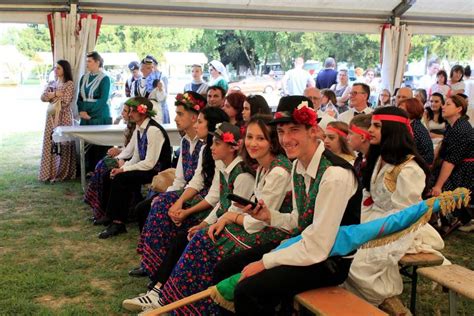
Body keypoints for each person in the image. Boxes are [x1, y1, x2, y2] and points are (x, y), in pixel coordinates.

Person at [213, 96, 361, 315]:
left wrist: (265, 262)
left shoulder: (334, 175)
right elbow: (298, 220)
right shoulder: (298, 166)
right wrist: (268, 216)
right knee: (224, 269)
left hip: (330, 261)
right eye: (281, 132)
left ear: (313, 130)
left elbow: (319, 246)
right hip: (303, 243)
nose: (286, 139)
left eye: (294, 130)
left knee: (248, 289)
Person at [136, 116, 295, 314]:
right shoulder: (263, 166)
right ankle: (170, 295)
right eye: (251, 137)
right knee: (187, 229)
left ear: (272, 143)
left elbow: (257, 221)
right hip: (255, 225)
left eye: (261, 139)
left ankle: (181, 302)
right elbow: (229, 202)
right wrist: (212, 220)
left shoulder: (273, 172)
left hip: (274, 233)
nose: (253, 143)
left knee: (204, 241)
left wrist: (226, 218)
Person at [344, 107, 444, 305]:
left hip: (399, 226)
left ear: (393, 130)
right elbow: (368, 197)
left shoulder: (409, 168)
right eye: (371, 124)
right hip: (374, 218)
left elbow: (406, 214)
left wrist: (370, 232)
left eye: (377, 126)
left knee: (357, 264)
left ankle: (379, 303)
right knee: (339, 249)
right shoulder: (380, 158)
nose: (370, 130)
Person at [137, 107, 229, 285]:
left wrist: (185, 210)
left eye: (200, 122)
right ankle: (154, 265)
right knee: (157, 205)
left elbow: (214, 196)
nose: (196, 125)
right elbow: (194, 181)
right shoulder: (203, 148)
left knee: (162, 209)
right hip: (201, 195)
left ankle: (160, 270)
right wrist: (178, 202)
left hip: (209, 202)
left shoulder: (217, 152)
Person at [132, 91, 207, 234]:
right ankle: (151, 251)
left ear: (193, 118)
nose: (175, 118)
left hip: (198, 194)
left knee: (157, 206)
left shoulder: (204, 144)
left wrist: (170, 198)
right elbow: (179, 179)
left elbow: (198, 182)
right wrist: (165, 195)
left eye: (180, 114)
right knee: (142, 208)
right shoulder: (185, 141)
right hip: (185, 191)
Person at [97, 97, 172, 239]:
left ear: (143, 113)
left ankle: (118, 223)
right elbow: (136, 156)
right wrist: (123, 166)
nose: (129, 114)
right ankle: (109, 215)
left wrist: (124, 169)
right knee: (109, 174)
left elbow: (150, 163)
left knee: (121, 178)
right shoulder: (140, 128)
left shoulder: (153, 130)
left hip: (158, 172)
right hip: (147, 168)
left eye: (132, 111)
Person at [84, 104, 136, 222]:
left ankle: (106, 211)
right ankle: (101, 209)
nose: (122, 113)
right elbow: (127, 149)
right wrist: (118, 151)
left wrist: (119, 155)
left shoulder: (138, 129)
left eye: (125, 111)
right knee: (101, 164)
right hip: (126, 157)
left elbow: (135, 152)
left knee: (104, 169)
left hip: (132, 160)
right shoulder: (129, 127)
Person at [431, 95, 473, 235]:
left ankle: (452, 219)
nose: (443, 106)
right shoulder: (453, 125)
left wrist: (438, 185)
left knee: (443, 187)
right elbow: (444, 149)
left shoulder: (460, 129)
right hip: (460, 166)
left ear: (459, 109)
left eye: (448, 104)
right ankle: (444, 218)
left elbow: (451, 161)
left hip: (467, 171)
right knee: (432, 177)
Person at [39, 59, 76, 182]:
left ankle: (63, 173)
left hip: (63, 117)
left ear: (65, 69)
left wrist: (52, 96)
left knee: (63, 144)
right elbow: (43, 97)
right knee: (51, 143)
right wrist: (56, 93)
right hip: (52, 117)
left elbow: (66, 101)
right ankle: (49, 172)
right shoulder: (52, 83)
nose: (56, 70)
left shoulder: (69, 84)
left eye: (58, 68)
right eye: (55, 68)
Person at [77, 51, 112, 172]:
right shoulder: (84, 77)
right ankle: (88, 169)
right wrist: (81, 110)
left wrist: (89, 113)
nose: (87, 64)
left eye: (89, 61)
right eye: (86, 61)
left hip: (99, 115)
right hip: (85, 116)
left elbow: (103, 99)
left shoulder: (105, 78)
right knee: (86, 144)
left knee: (99, 145)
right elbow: (80, 97)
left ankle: (100, 171)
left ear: (97, 62)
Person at [398, 98, 434, 165]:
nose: (397, 113)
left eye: (401, 110)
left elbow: (405, 151)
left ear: (412, 110)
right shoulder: (412, 124)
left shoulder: (415, 128)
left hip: (419, 165)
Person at [347, 114, 372, 181]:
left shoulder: (373, 164)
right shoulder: (359, 160)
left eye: (350, 133)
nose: (347, 138)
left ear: (362, 137)